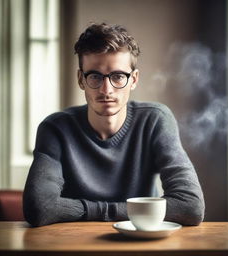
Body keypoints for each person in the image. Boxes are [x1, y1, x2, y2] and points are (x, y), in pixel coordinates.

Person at [23, 23, 205, 227]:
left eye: (118, 76)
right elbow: (40, 208)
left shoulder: (155, 120)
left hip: (140, 242)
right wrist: (130, 211)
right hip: (73, 242)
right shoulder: (55, 129)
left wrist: (93, 210)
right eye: (95, 76)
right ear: (81, 80)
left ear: (133, 79)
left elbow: (190, 207)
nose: (106, 89)